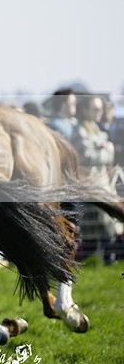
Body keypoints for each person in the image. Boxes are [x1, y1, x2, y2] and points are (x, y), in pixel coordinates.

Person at [71, 94, 120, 263]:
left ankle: (106, 262)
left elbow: (107, 153)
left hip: (102, 186)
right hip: (91, 187)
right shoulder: (79, 131)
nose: (100, 111)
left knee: (106, 230)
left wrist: (105, 149)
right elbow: (85, 156)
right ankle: (96, 262)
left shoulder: (96, 129)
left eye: (100, 108)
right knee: (98, 231)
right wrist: (106, 150)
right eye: (95, 108)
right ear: (85, 110)